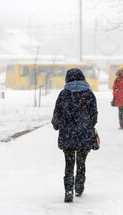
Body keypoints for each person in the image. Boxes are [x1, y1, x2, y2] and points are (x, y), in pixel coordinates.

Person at [51, 68, 98, 203]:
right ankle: (79, 186)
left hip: (68, 134)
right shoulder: (89, 94)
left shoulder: (63, 94)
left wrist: (57, 124)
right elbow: (94, 116)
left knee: (69, 163)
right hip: (84, 133)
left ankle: (68, 190)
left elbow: (57, 113)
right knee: (81, 162)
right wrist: (86, 125)